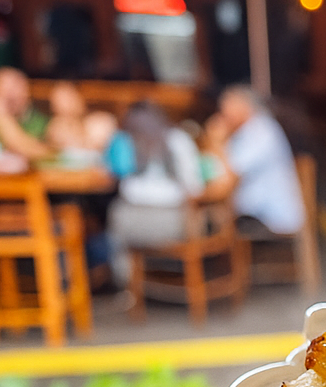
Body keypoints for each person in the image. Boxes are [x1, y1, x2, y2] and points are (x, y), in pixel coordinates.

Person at [104, 100, 204, 286]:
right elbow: (194, 188)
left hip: (131, 224)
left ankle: (127, 285)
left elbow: (112, 174)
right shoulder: (179, 139)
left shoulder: (125, 141)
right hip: (175, 223)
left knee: (113, 216)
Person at [207, 85, 304, 235]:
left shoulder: (261, 131)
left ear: (243, 107)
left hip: (270, 218)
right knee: (213, 221)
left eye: (225, 109)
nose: (222, 115)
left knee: (213, 227)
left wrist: (217, 142)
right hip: (252, 214)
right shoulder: (243, 134)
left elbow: (230, 175)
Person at [0, 66, 52, 161]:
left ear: (27, 90)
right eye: (3, 92)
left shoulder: (43, 122)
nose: (9, 97)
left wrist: (1, 117)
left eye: (14, 90)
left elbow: (30, 150)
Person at [44, 81, 116, 159]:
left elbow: (98, 148)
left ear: (79, 97)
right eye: (56, 102)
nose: (61, 107)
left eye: (68, 99)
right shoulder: (55, 128)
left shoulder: (101, 121)